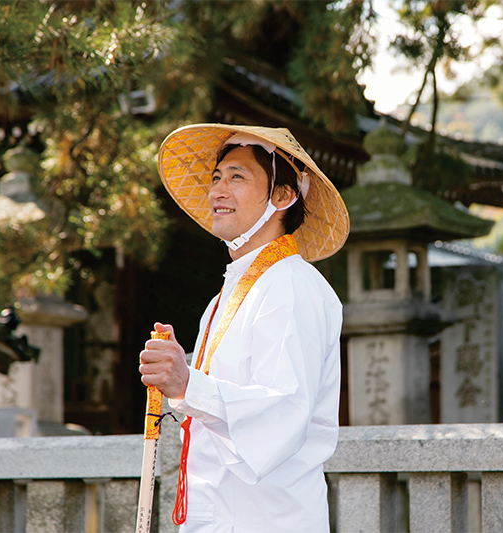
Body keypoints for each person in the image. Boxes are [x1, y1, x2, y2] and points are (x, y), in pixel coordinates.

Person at [139, 124, 349, 532]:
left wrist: (187, 385)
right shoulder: (227, 295)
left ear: (283, 196)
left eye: (237, 176)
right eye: (216, 177)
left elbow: (283, 410)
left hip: (267, 520)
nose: (217, 190)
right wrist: (182, 371)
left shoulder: (291, 285)